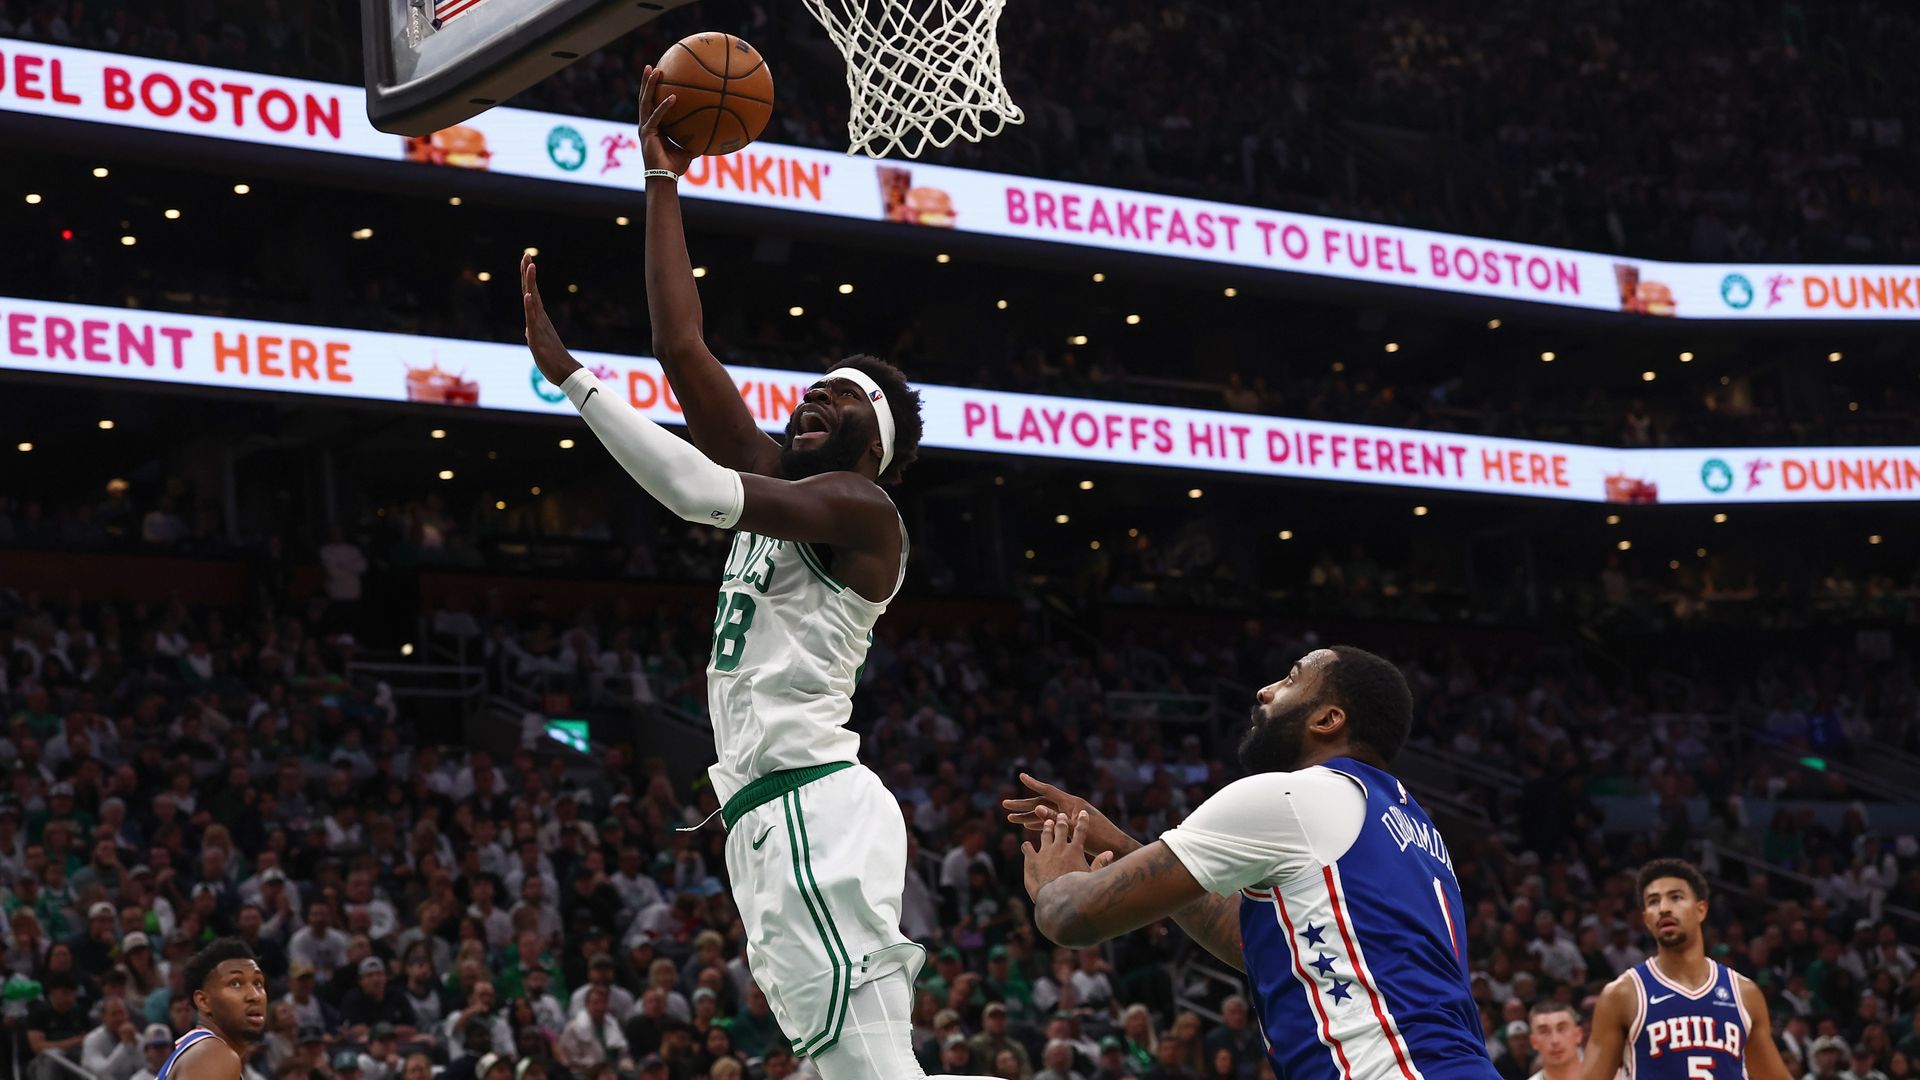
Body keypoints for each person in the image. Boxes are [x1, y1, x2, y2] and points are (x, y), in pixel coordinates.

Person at [516, 62, 931, 1080]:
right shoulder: (786, 483)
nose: (813, 400)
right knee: (849, 1070)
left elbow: (695, 492)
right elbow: (682, 346)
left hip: (812, 808)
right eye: (814, 389)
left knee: (869, 1072)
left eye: (842, 400)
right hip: (766, 817)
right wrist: (661, 177)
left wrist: (572, 380)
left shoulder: (863, 509)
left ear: (874, 445)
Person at [1005, 647, 1498, 1080]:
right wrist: (1118, 843)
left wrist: (1055, 883)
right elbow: (1259, 943)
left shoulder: (1293, 796)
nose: (1265, 690)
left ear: (1328, 720)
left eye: (1291, 678)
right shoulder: (1413, 828)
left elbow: (1072, 918)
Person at [1581, 859, 1793, 1080]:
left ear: (1701, 910)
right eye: (1653, 901)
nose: (1664, 908)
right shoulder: (1622, 994)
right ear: (1646, 920)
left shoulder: (1744, 993)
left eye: (1676, 897)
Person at [150, 938, 269, 1080]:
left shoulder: (200, 1052)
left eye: (258, 983)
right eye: (236, 983)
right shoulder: (213, 1055)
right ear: (203, 1001)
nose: (255, 996)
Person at [1526, 1003, 1583, 1080]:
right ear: (1534, 1042)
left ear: (1578, 1035)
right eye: (1544, 1032)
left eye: (1562, 1029)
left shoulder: (1599, 1075)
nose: (1555, 1040)